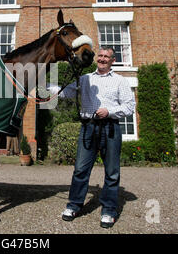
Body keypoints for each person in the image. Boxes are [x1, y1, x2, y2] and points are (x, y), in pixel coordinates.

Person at [56, 46, 135, 228]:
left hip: (110, 128)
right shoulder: (85, 79)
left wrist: (110, 111)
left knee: (112, 173)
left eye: (106, 56)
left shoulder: (120, 81)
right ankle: (74, 205)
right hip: (88, 128)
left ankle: (108, 210)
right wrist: (43, 87)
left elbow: (129, 106)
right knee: (80, 170)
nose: (102, 59)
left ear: (113, 60)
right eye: (100, 55)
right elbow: (66, 92)